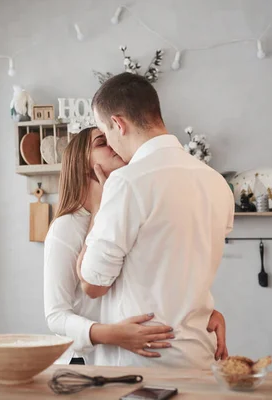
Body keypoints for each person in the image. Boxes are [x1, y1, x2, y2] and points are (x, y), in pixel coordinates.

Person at [77, 73, 234, 369]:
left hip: (144, 365)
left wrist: (98, 209)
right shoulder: (216, 182)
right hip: (200, 354)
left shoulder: (127, 182)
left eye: (105, 131)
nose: (110, 143)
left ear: (119, 124)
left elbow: (92, 285)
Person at [45, 126, 228, 366]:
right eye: (102, 143)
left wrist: (208, 313)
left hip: (137, 359)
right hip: (86, 363)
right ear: (81, 162)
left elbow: (155, 282)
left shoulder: (131, 209)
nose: (113, 144)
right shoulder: (66, 227)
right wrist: (113, 335)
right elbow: (56, 316)